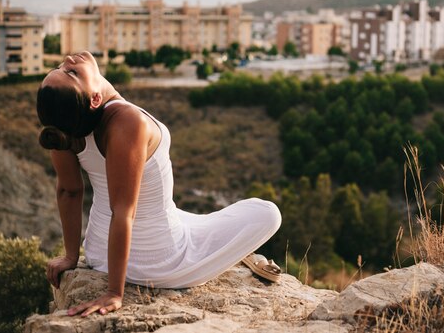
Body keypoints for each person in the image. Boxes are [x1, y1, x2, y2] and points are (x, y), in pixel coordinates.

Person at [37, 51, 282, 318]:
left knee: (182, 214)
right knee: (267, 212)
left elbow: (69, 191)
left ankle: (215, 240)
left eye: (61, 67)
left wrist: (71, 256)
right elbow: (123, 212)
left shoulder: (62, 123)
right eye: (70, 73)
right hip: (160, 263)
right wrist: (115, 293)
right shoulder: (128, 123)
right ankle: (226, 249)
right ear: (95, 99)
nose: (70, 61)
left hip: (99, 253)